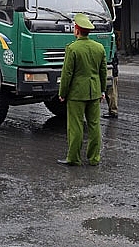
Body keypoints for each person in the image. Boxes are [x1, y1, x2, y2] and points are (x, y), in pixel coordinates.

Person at [57, 13, 107, 166]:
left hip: (77, 93)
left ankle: (73, 158)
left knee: (76, 125)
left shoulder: (72, 49)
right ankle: (94, 158)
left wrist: (62, 93)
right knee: (94, 125)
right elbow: (103, 72)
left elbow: (67, 74)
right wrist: (102, 91)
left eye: (74, 27)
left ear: (77, 30)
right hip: (95, 91)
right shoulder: (99, 48)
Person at [103, 51, 119, 118]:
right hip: (113, 71)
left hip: (111, 72)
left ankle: (113, 111)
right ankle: (113, 111)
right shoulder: (112, 47)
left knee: (111, 92)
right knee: (111, 92)